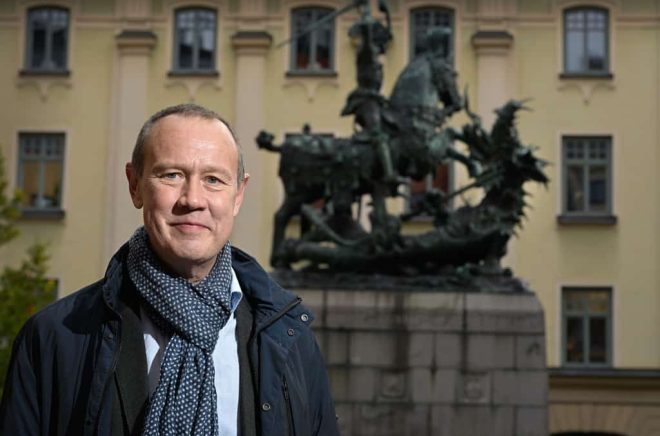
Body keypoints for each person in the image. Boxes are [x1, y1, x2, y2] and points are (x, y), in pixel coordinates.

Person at [0, 104, 340, 436]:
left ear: (238, 195)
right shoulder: (53, 337)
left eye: (213, 179)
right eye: (172, 175)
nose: (192, 199)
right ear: (135, 185)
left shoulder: (291, 338)